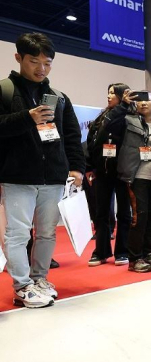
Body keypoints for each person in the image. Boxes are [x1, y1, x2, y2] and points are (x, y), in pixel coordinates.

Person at [0, 32, 84, 307]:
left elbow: (72, 137)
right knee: (18, 233)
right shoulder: (4, 90)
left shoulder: (58, 97)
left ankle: (39, 279)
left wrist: (77, 168)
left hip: (54, 178)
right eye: (34, 61)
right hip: (17, 177)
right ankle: (22, 286)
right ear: (18, 58)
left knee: (47, 233)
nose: (41, 68)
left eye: (47, 63)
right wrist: (27, 118)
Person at [105, 90, 151, 273]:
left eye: (147, 100)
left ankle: (148, 253)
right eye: (139, 101)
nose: (143, 103)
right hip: (136, 177)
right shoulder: (127, 121)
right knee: (139, 217)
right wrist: (123, 105)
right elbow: (109, 125)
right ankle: (135, 258)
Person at [85, 83, 132, 267]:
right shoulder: (102, 116)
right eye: (108, 92)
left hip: (123, 170)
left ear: (122, 95)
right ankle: (101, 251)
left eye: (113, 93)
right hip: (102, 170)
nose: (109, 96)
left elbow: (113, 125)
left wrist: (124, 106)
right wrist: (89, 166)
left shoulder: (130, 115)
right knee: (101, 212)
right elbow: (91, 142)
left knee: (124, 213)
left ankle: (123, 251)